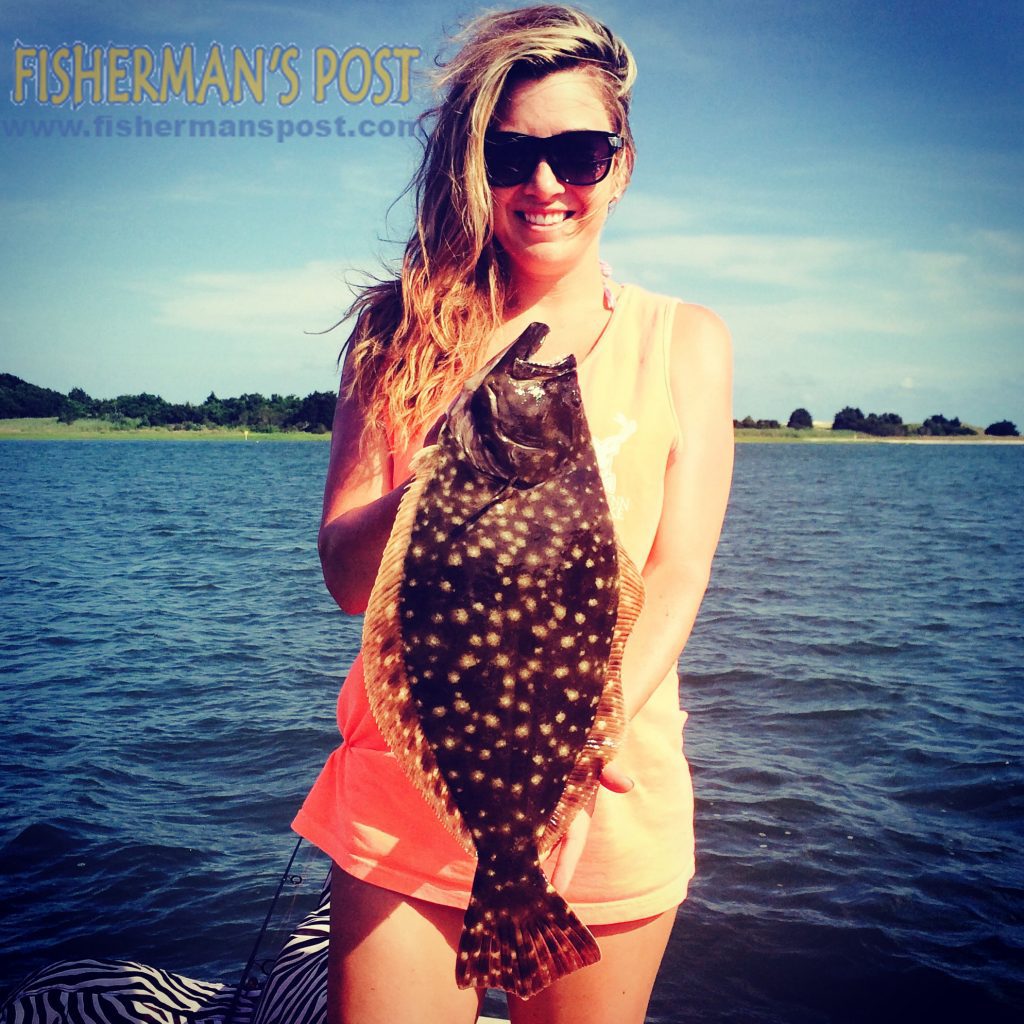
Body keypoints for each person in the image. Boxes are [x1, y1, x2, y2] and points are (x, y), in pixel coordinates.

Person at [292, 5, 733, 1022]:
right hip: (404, 796)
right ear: (471, 162)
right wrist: (434, 485)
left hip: (609, 789)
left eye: (579, 154)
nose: (545, 185)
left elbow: (676, 572)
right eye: (512, 153)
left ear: (620, 165)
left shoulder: (685, 339)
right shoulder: (396, 332)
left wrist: (582, 748)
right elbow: (346, 579)